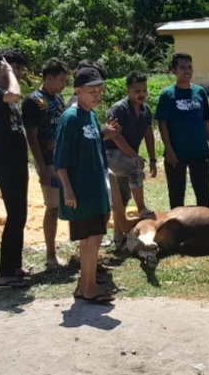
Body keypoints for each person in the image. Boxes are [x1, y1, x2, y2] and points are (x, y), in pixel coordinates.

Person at [54, 66, 116, 304]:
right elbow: (60, 160)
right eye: (91, 91)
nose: (97, 95)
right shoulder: (70, 118)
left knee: (95, 236)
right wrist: (68, 189)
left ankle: (84, 286)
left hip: (95, 188)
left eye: (99, 90)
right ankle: (90, 288)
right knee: (90, 238)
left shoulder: (90, 114)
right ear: (78, 91)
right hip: (81, 190)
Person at [0, 47, 31, 288]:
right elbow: (15, 94)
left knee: (20, 215)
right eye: (16, 67)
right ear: (3, 67)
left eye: (20, 68)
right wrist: (10, 73)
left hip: (16, 161)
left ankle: (15, 267)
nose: (20, 73)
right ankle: (4, 274)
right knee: (15, 216)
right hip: (7, 163)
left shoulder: (6, 94)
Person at [22, 57, 69, 269]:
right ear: (49, 78)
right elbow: (31, 136)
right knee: (52, 207)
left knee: (70, 204)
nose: (64, 84)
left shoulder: (59, 99)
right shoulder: (33, 102)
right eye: (61, 80)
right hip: (48, 163)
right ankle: (51, 255)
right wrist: (42, 168)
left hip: (63, 161)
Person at [155, 53, 209, 209]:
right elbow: (163, 124)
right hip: (176, 155)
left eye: (189, 67)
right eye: (182, 68)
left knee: (204, 196)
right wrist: (169, 150)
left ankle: (204, 224)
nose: (187, 71)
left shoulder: (200, 92)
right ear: (173, 70)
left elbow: (206, 120)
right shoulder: (167, 94)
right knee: (176, 197)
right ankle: (177, 225)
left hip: (200, 152)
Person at [105, 71, 157, 230]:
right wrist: (134, 155)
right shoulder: (119, 109)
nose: (142, 94)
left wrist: (153, 159)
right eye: (137, 91)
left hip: (127, 156)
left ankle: (118, 235)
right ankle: (142, 208)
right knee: (135, 168)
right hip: (110, 154)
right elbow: (115, 136)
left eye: (144, 90)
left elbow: (149, 135)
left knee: (122, 197)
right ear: (128, 91)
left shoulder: (146, 110)